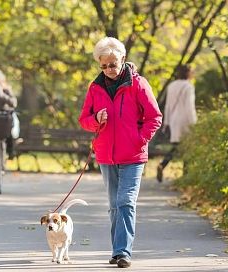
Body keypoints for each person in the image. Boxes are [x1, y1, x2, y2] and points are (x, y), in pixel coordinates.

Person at [79, 37, 162, 268]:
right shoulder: (95, 87)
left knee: (125, 201)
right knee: (114, 204)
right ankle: (117, 251)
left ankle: (123, 251)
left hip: (133, 155)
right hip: (106, 155)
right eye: (103, 66)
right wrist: (95, 119)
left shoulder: (138, 84)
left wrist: (140, 139)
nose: (108, 70)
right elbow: (84, 119)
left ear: (123, 59)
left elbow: (154, 117)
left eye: (113, 64)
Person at [156, 65, 197, 182]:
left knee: (177, 146)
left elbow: (168, 106)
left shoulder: (171, 85)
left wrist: (167, 122)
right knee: (187, 146)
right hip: (185, 120)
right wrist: (193, 123)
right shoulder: (188, 86)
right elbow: (189, 107)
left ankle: (163, 165)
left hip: (174, 120)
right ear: (188, 73)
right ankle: (186, 176)